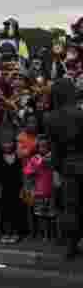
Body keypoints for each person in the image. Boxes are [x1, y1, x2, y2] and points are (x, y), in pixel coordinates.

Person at [44, 78, 83, 256]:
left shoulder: (50, 118)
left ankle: (71, 245)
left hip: (66, 166)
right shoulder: (80, 114)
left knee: (71, 207)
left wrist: (56, 170)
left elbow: (55, 148)